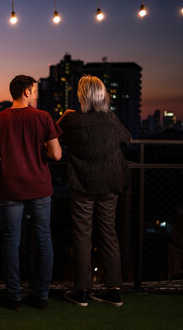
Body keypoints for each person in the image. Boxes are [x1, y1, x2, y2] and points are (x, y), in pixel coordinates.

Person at [0, 75, 62, 310]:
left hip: (12, 188)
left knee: (11, 241)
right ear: (27, 92)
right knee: (44, 241)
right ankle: (41, 296)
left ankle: (14, 296)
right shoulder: (44, 117)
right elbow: (57, 155)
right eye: (35, 90)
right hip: (39, 186)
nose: (36, 94)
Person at [58, 75, 131, 307]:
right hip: (110, 184)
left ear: (81, 95)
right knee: (108, 233)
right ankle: (115, 290)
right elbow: (127, 139)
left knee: (82, 235)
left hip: (83, 184)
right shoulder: (111, 119)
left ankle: (82, 292)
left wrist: (66, 114)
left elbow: (53, 134)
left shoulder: (72, 120)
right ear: (102, 95)